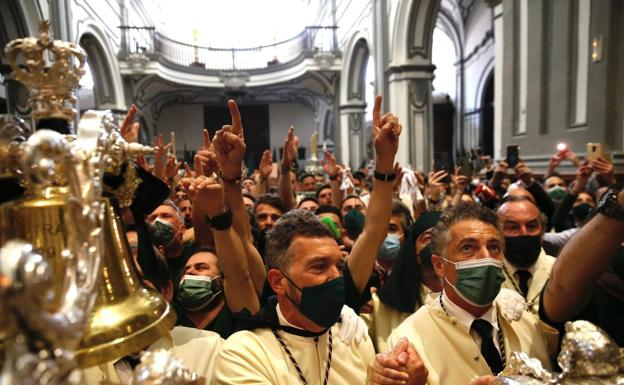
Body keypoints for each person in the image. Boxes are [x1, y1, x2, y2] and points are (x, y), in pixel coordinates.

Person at [213, 95, 403, 385]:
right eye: (318, 267)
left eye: (338, 265)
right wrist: (230, 178)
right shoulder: (245, 352)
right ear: (278, 282)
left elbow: (374, 231)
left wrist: (386, 159)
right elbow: (242, 243)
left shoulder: (354, 336)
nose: (335, 277)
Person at [384, 204, 556, 385]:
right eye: (468, 248)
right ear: (439, 265)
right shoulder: (410, 343)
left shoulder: (523, 320)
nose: (485, 257)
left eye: (494, 247)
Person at [363, 211, 442, 353]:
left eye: (444, 239)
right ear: (413, 249)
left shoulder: (471, 299)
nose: (437, 245)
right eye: (429, 238)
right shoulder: (380, 305)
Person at [496, 195, 555, 313]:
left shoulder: (560, 270)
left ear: (542, 231)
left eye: (531, 226)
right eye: (513, 227)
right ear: (497, 234)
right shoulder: (487, 275)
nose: (524, 233)